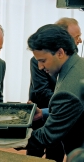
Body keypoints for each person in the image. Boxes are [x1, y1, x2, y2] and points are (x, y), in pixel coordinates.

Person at [27, 17, 82, 161]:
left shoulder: (68, 91)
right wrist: (44, 113)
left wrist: (15, 138)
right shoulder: (77, 64)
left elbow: (47, 136)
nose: (39, 67)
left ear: (60, 53)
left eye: (42, 61)